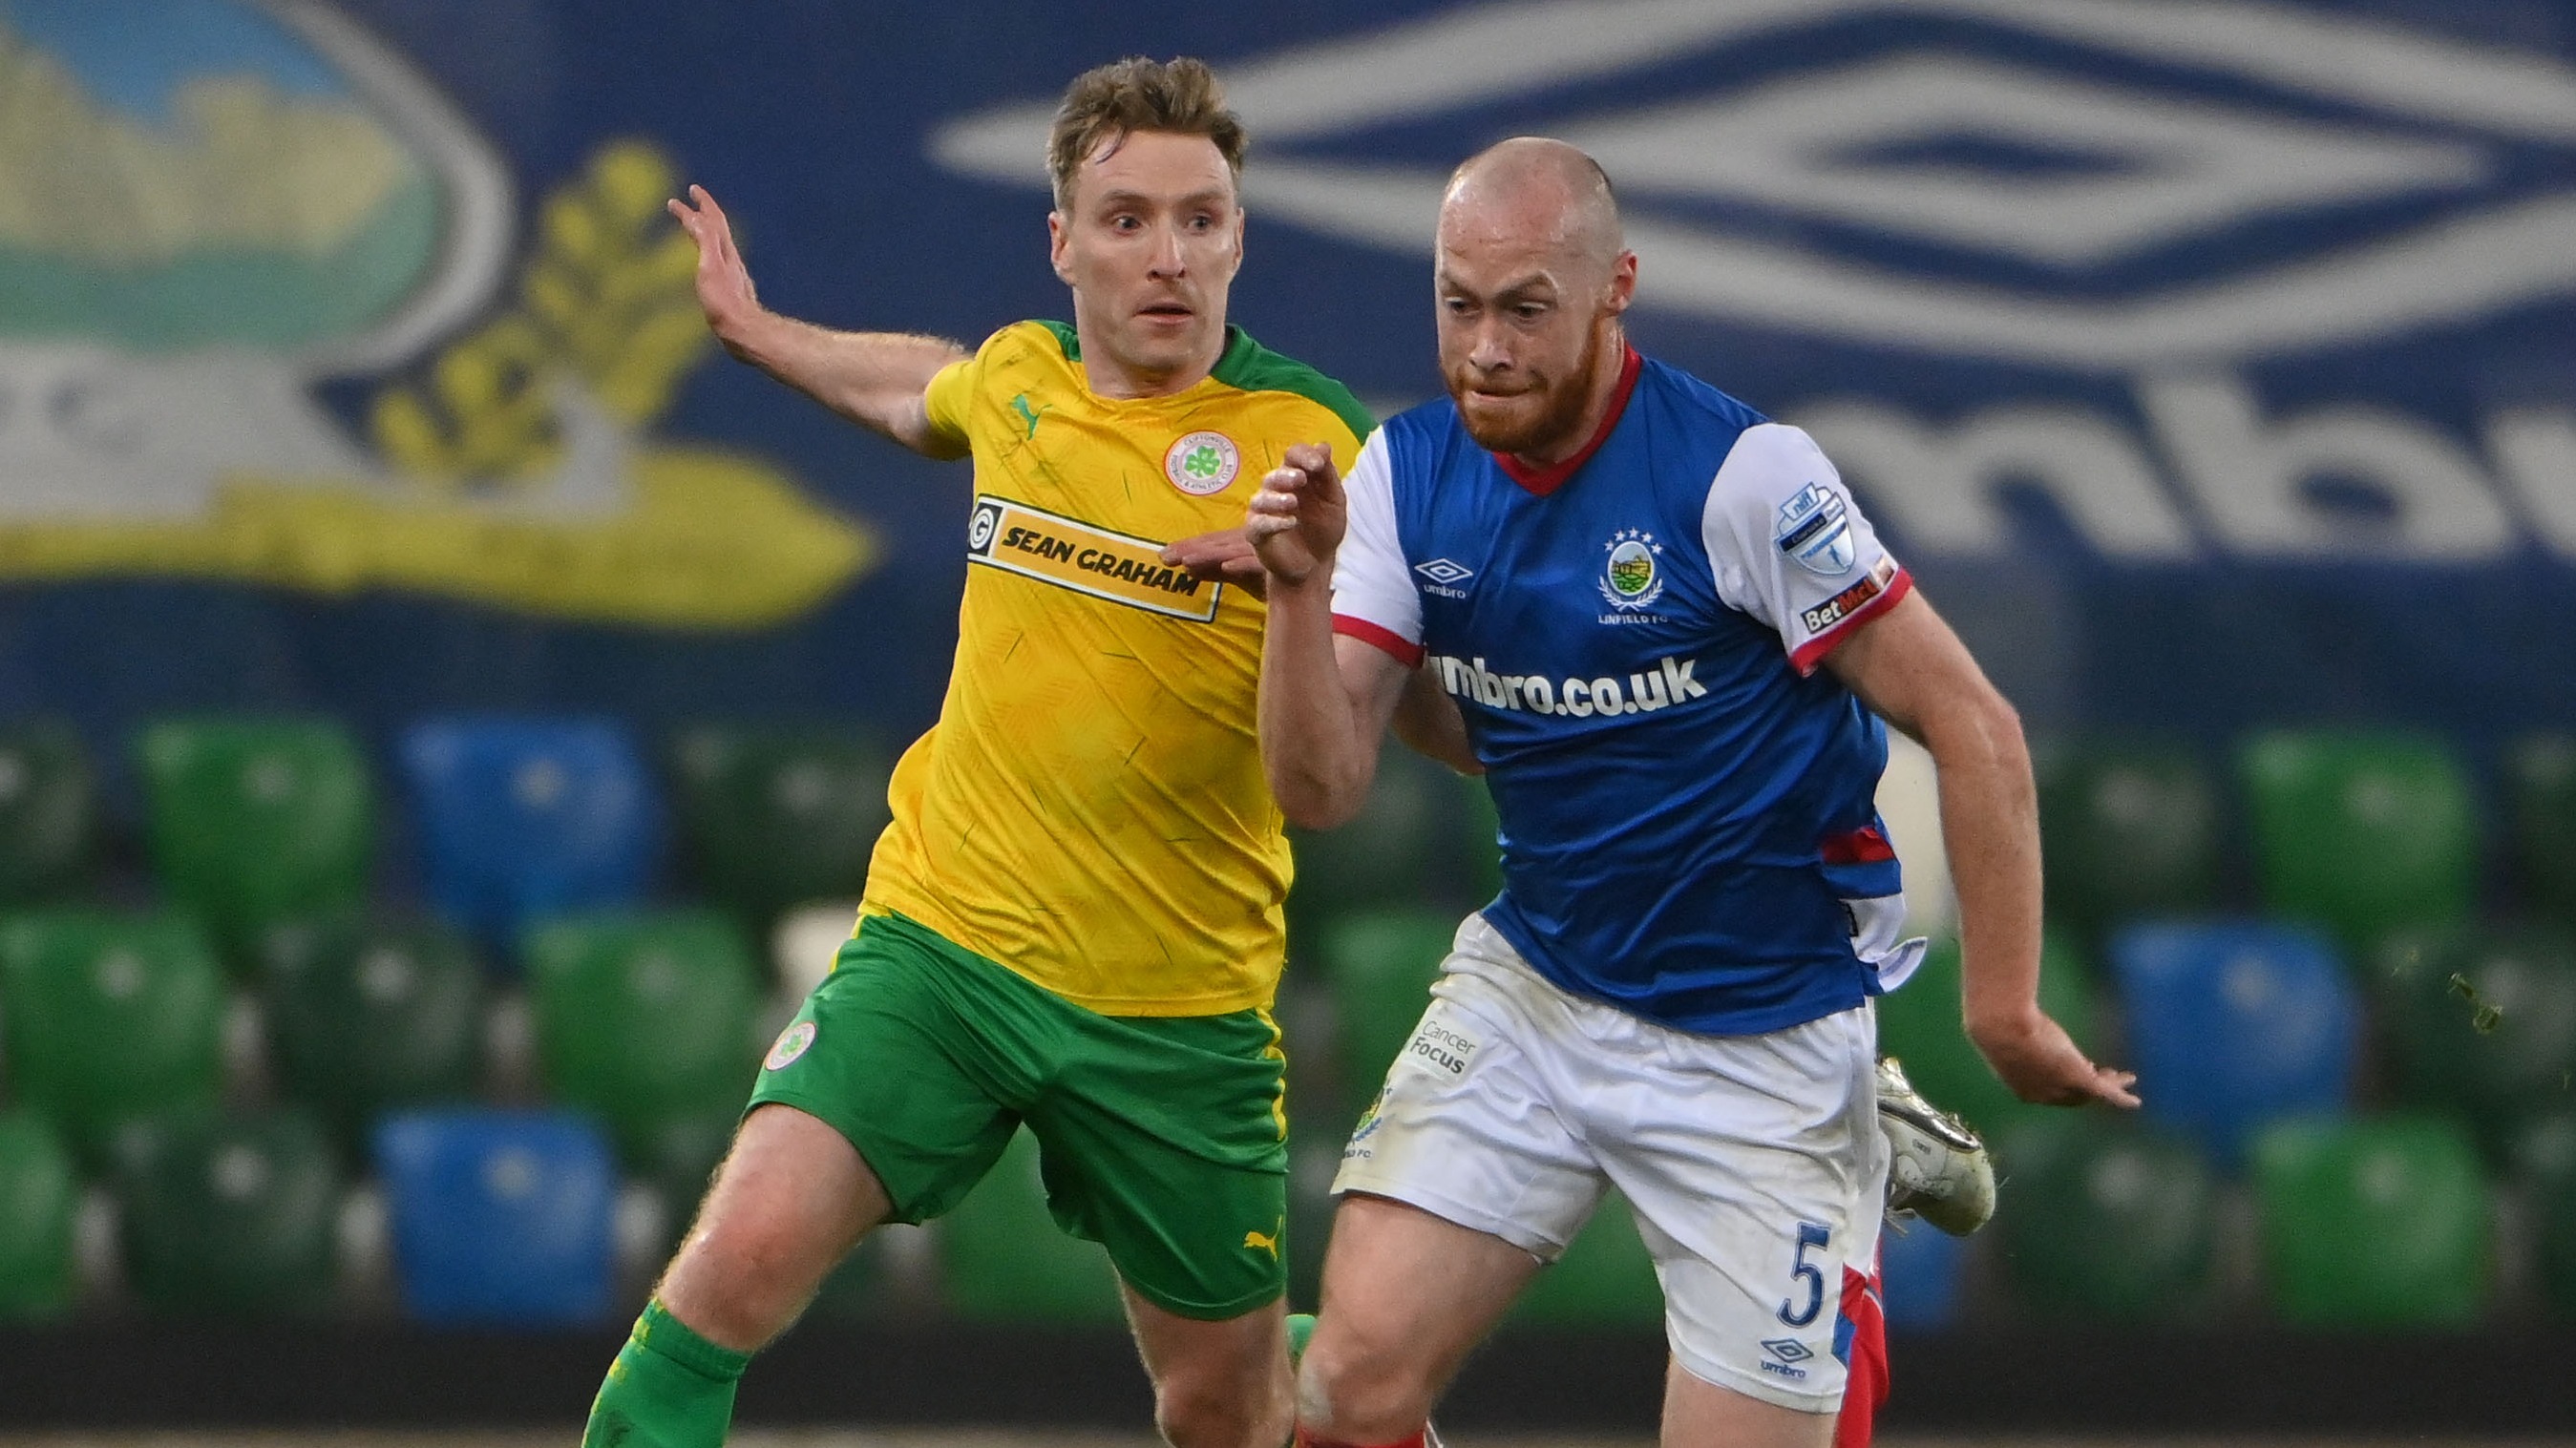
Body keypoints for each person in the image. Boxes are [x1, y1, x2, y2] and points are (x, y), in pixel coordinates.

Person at [1243, 137, 2139, 1448]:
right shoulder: (1398, 475)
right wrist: (1294, 589)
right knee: (1339, 1393)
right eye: (1457, 303)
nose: (1484, 346)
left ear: (1616, 288)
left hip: (1759, 1043)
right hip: (1535, 992)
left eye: (1525, 309)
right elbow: (1322, 787)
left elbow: (1973, 722)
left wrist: (2001, 1007)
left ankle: (1853, 1128)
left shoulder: (1746, 477)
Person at [580, 57, 1379, 1448]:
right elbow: (928, 389)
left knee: (1224, 1412)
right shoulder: (1020, 381)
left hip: (1171, 1013)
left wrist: (1302, 589)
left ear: (1240, 237)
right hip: (945, 950)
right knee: (730, 1270)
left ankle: (1347, 1378)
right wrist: (760, 330)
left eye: (1202, 219)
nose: (1168, 256)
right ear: (1062, 242)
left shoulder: (1320, 450)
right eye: (1126, 219)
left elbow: (1325, 788)